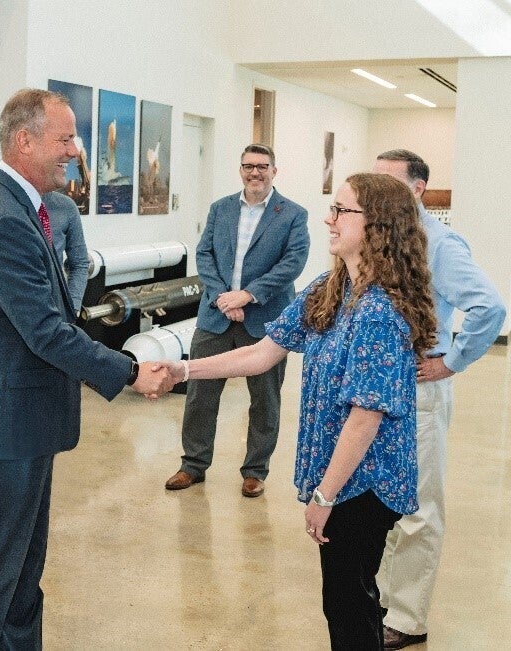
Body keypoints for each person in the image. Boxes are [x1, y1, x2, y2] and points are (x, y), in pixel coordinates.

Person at [160, 173, 438, 649]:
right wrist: (183, 370)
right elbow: (263, 352)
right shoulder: (329, 288)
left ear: (377, 226)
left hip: (363, 483)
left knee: (348, 603)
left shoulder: (377, 311)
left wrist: (325, 497)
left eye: (341, 210)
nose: (329, 219)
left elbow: (365, 417)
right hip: (343, 477)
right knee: (351, 598)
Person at [0, 88, 176, 649]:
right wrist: (128, 369)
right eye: (67, 137)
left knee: (23, 573)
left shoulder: (25, 207)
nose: (76, 150)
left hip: (21, 421)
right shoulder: (3, 217)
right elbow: (45, 330)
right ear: (25, 140)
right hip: (3, 425)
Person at [371, 150, 506, 649]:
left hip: (420, 388)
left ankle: (406, 619)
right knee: (381, 500)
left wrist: (450, 361)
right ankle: (384, 592)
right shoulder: (377, 236)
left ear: (418, 188)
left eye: (387, 182)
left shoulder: (441, 245)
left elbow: (489, 307)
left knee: (418, 507)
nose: (374, 190)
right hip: (376, 387)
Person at [165, 144, 309, 497]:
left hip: (265, 322)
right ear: (240, 169)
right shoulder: (221, 208)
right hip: (215, 317)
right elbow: (205, 254)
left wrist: (248, 295)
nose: (254, 172)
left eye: (262, 166)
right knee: (200, 394)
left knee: (264, 399)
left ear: (275, 170)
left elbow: (292, 263)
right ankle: (193, 466)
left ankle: (255, 470)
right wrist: (222, 297)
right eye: (248, 166)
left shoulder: (292, 214)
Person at [45, 189, 90, 313]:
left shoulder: (65, 206)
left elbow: (80, 263)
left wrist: (73, 307)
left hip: (54, 307)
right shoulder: (4, 201)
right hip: (11, 311)